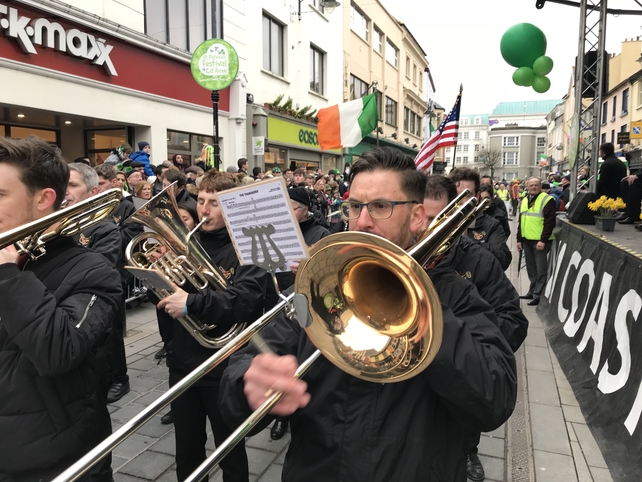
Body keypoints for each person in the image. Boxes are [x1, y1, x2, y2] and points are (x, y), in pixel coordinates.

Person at [219, 147, 517, 482]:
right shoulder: (318, 284)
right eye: (355, 206)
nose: (362, 221)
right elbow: (245, 364)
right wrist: (248, 381)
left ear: (417, 217)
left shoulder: (455, 295)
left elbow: (496, 400)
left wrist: (422, 308)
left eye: (380, 207)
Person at [0, 136, 122, 481]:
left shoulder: (94, 271)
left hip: (58, 462)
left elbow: (59, 350)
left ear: (44, 199)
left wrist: (8, 275)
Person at [154, 171, 278, 482]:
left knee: (230, 450)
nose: (204, 210)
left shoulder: (252, 244)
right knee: (187, 449)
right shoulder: (185, 241)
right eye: (201, 201)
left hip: (225, 365)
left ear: (232, 207)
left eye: (215, 203)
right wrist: (158, 280)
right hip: (183, 363)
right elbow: (174, 299)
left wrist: (191, 303)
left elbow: (245, 300)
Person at [423, 174, 528, 481]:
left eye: (435, 219)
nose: (425, 230)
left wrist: (473, 337)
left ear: (451, 218)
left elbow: (513, 319)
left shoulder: (477, 258)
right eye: (420, 218)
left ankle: (469, 451)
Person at [66, 163, 130, 403]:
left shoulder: (104, 228)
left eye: (72, 185)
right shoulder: (57, 224)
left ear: (92, 192)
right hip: (70, 308)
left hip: (99, 297)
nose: (65, 191)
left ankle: (120, 379)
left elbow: (98, 269)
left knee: (110, 339)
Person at [450, 167, 512, 271]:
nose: (461, 202)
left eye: (467, 195)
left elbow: (502, 260)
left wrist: (467, 241)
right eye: (457, 195)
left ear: (477, 196)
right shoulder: (439, 223)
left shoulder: (492, 225)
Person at [516, 177, 556, 306]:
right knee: (531, 269)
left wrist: (543, 240)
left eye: (536, 185)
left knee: (541, 270)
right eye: (531, 185)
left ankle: (538, 295)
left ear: (540, 186)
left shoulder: (547, 199)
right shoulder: (524, 200)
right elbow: (521, 221)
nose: (533, 187)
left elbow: (550, 222)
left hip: (540, 242)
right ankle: (532, 291)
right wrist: (519, 239)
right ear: (527, 186)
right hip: (527, 240)